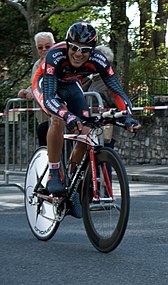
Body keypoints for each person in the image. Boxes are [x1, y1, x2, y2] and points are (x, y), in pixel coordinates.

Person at [32, 22, 141, 218]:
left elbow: (115, 89)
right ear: (67, 45)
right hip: (46, 84)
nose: (78, 54)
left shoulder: (99, 59)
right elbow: (49, 98)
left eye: (85, 50)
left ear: (92, 50)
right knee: (58, 119)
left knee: (87, 129)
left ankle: (72, 184)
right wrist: (67, 115)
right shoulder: (54, 54)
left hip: (71, 85)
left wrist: (128, 116)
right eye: (74, 48)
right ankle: (54, 173)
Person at [18, 32, 55, 146]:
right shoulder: (37, 64)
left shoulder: (59, 61)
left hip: (58, 114)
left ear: (54, 45)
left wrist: (35, 93)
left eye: (47, 46)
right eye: (40, 47)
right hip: (43, 117)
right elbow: (36, 84)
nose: (44, 49)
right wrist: (26, 92)